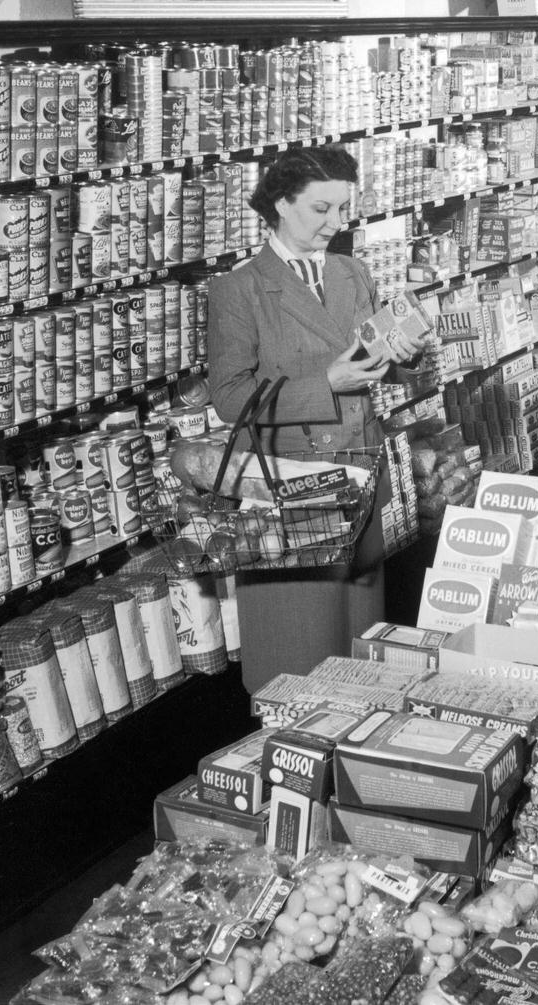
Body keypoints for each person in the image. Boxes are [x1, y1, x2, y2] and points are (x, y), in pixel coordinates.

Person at [206, 148, 433, 686]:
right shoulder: (239, 289)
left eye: (343, 208)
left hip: (362, 482)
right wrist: (325, 384)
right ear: (281, 205)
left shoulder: (352, 272)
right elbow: (231, 399)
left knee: (361, 657)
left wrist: (405, 354)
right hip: (293, 494)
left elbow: (373, 362)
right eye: (321, 209)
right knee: (299, 659)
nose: (337, 223)